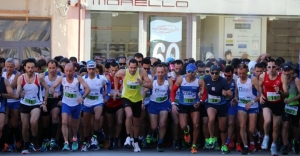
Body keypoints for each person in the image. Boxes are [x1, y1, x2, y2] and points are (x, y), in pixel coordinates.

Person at [113, 59, 152, 152]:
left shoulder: (141, 72)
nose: (133, 70)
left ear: (137, 67)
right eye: (131, 67)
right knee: (129, 115)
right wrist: (116, 90)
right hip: (126, 97)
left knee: (136, 123)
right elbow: (115, 76)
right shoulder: (123, 72)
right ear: (128, 66)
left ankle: (135, 142)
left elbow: (150, 85)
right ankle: (127, 137)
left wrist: (142, 83)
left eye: (135, 68)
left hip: (137, 99)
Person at [50, 63, 91, 151]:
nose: (68, 73)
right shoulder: (62, 78)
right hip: (66, 103)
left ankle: (75, 138)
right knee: (64, 122)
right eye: (67, 71)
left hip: (76, 103)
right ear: (64, 71)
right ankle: (66, 143)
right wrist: (54, 93)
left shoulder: (78, 78)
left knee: (74, 125)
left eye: (70, 71)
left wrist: (83, 97)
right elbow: (52, 87)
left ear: (74, 71)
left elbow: (88, 88)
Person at [15, 58, 49, 154]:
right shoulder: (21, 78)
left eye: (32, 67)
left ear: (35, 68)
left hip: (36, 103)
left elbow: (47, 88)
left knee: (33, 122)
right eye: (28, 67)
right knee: (25, 126)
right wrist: (19, 94)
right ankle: (26, 144)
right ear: (25, 67)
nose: (30, 69)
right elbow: (18, 91)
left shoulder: (40, 77)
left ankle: (34, 140)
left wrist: (44, 102)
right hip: (24, 103)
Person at [171, 63, 205, 154]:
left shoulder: (199, 80)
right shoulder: (181, 79)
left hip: (194, 105)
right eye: (188, 72)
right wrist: (173, 103)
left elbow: (205, 93)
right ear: (186, 72)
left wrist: (200, 101)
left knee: (196, 124)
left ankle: (193, 145)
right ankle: (186, 132)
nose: (190, 74)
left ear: (195, 72)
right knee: (182, 126)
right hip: (183, 105)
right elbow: (173, 91)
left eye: (192, 72)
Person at [259, 58, 289, 156]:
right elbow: (259, 86)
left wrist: (280, 91)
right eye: (269, 67)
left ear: (276, 67)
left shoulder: (282, 77)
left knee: (276, 127)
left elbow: (287, 94)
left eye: (273, 67)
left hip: (278, 103)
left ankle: (273, 145)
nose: (271, 69)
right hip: (267, 102)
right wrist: (261, 95)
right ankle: (266, 136)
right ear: (266, 68)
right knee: (267, 121)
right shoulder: (263, 76)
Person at [204, 65, 232, 154]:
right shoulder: (206, 79)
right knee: (211, 119)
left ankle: (223, 145)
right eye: (212, 73)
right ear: (210, 73)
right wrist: (200, 92)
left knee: (222, 127)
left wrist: (226, 93)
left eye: (216, 73)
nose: (214, 75)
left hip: (221, 105)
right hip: (210, 104)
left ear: (219, 73)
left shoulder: (223, 81)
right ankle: (212, 138)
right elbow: (199, 83)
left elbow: (230, 94)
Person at [80, 60, 107, 152]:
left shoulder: (101, 78)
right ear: (87, 69)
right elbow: (80, 90)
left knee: (97, 117)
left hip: (98, 101)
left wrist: (106, 95)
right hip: (87, 102)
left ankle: (94, 138)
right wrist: (82, 95)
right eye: (89, 69)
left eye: (93, 69)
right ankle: (85, 142)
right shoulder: (84, 78)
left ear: (95, 69)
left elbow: (109, 84)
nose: (91, 71)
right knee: (86, 124)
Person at [146, 64, 173, 152]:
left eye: (162, 72)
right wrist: (142, 102)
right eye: (158, 72)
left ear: (165, 72)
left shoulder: (168, 81)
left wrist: (172, 103)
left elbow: (172, 92)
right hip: (153, 103)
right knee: (153, 126)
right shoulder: (152, 80)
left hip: (164, 104)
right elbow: (145, 90)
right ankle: (155, 135)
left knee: (162, 124)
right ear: (156, 72)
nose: (160, 74)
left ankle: (160, 142)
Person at [234, 64, 260, 154]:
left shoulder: (252, 79)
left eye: (243, 73)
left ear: (247, 71)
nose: (241, 75)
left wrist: (252, 102)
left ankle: (257, 134)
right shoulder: (236, 79)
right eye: (240, 73)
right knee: (242, 126)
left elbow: (261, 94)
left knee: (251, 129)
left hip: (253, 105)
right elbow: (237, 91)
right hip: (241, 105)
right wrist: (235, 98)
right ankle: (245, 146)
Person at [40, 60, 63, 152]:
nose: (52, 70)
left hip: (56, 99)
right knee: (45, 121)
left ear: (57, 68)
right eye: (50, 68)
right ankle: (45, 139)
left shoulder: (61, 76)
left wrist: (62, 100)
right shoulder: (42, 76)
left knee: (55, 116)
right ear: (47, 67)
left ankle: (53, 139)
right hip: (44, 99)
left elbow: (67, 87)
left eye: (53, 68)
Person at [1, 58, 21, 152]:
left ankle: (17, 141)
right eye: (7, 67)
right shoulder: (2, 72)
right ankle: (6, 144)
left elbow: (11, 87)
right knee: (4, 122)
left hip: (14, 101)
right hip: (4, 100)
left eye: (11, 67)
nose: (9, 69)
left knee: (14, 123)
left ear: (14, 67)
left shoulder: (17, 74)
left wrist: (4, 86)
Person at [281, 63, 300, 155]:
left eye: (288, 71)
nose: (287, 73)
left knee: (295, 127)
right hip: (285, 107)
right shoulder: (281, 80)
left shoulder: (296, 80)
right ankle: (285, 145)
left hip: (295, 105)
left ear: (292, 71)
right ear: (282, 72)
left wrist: (291, 99)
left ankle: (295, 142)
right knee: (285, 125)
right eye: (285, 71)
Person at [106, 61, 123, 150]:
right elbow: (107, 92)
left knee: (119, 122)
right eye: (112, 70)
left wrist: (117, 93)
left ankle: (117, 139)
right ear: (109, 70)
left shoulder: (122, 78)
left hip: (119, 103)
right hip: (110, 103)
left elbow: (122, 90)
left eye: (116, 70)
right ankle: (111, 139)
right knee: (110, 124)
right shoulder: (107, 77)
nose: (114, 72)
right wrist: (114, 94)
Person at [0, 65, 15, 151]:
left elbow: (11, 94)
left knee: (1, 126)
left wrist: (1, 94)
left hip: (1, 104)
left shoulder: (4, 81)